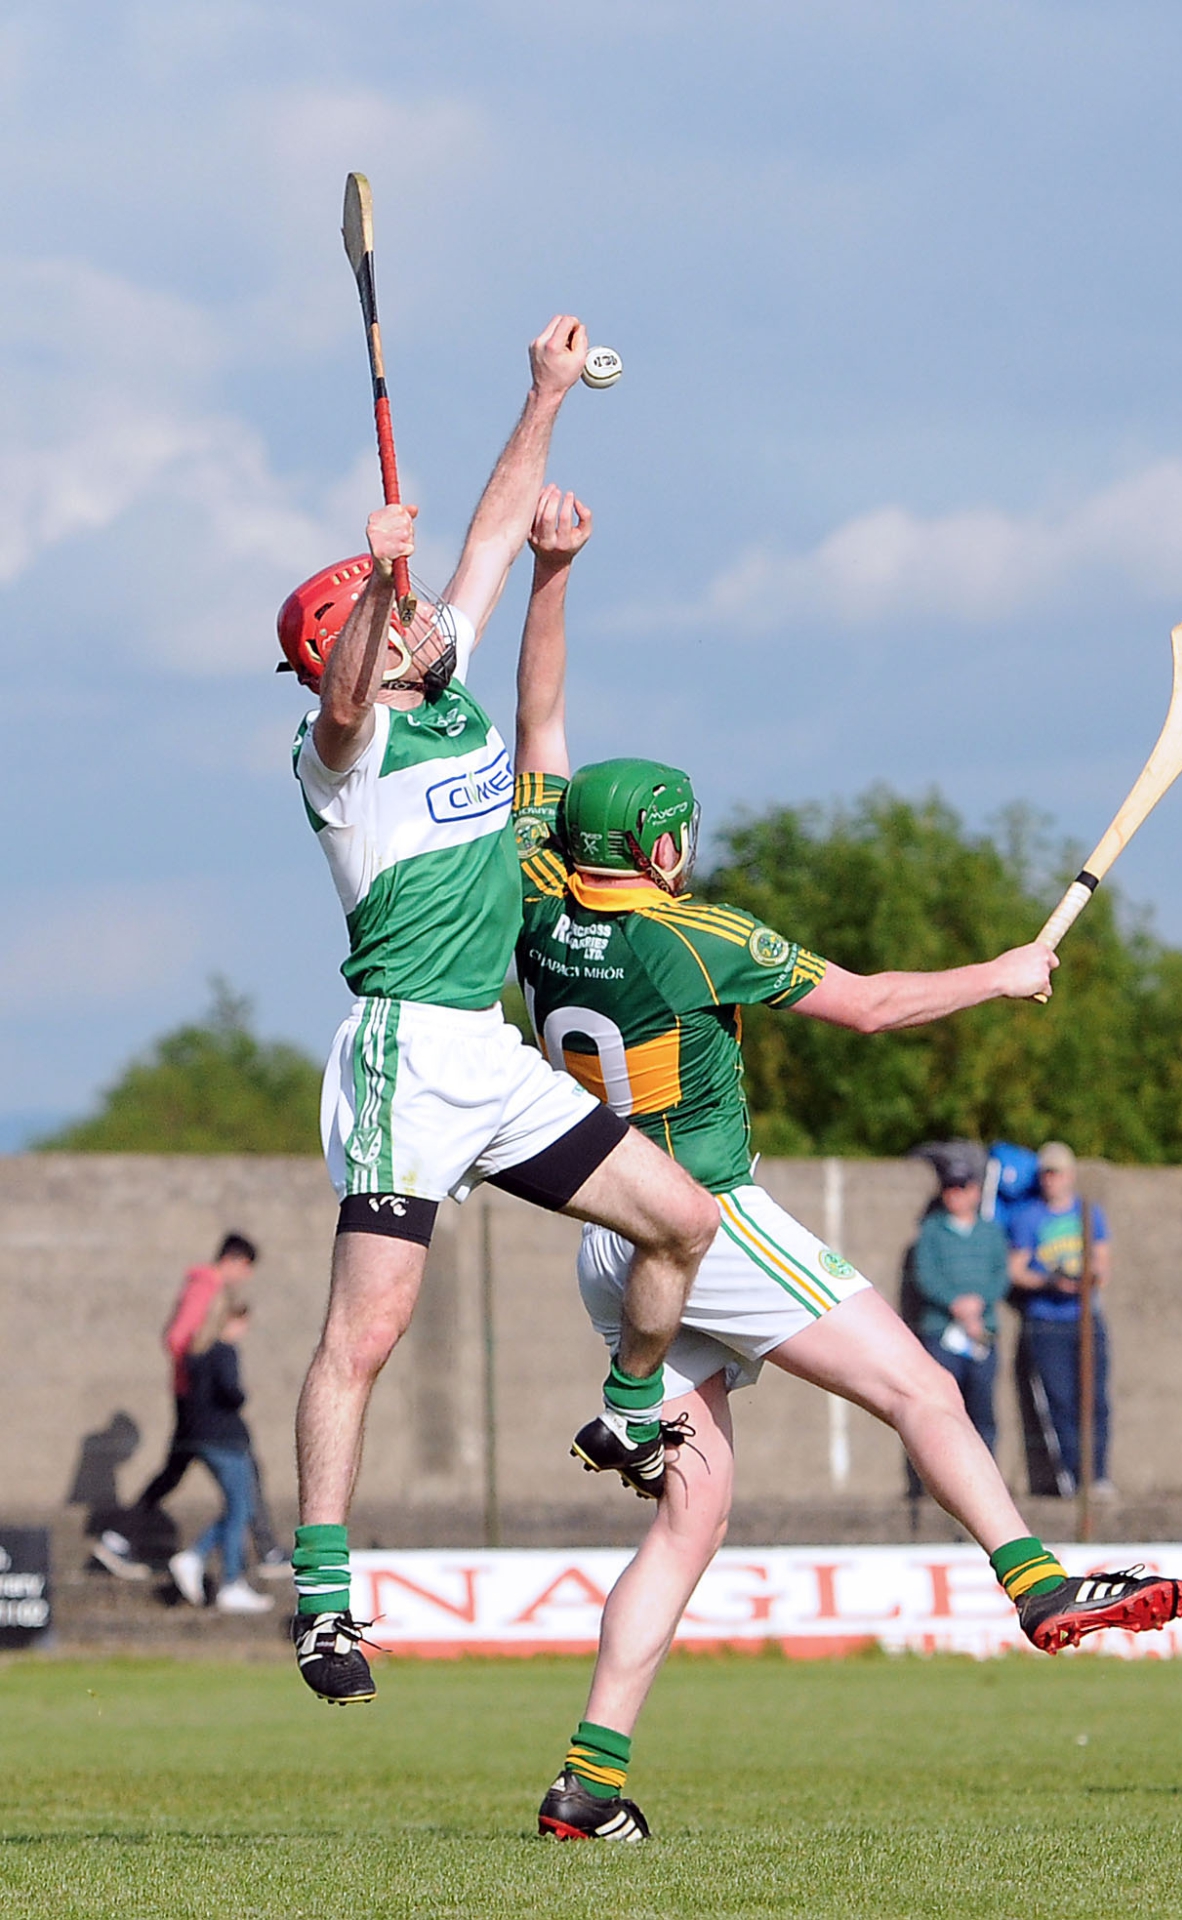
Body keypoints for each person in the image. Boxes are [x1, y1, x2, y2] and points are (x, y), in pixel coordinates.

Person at [511, 485, 1182, 1842]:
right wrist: (1003, 973)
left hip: (605, 1239)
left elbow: (540, 728)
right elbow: (874, 1006)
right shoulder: (699, 935)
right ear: (656, 847)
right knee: (921, 1387)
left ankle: (588, 1784)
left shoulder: (534, 892)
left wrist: (551, 574)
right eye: (676, 833)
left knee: (690, 1522)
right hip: (703, 1220)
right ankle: (1037, 1581)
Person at [277, 318, 719, 1705]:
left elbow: (490, 529)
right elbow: (341, 704)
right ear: (357, 644)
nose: (422, 613)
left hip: (492, 1050)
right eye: (391, 613)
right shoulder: (342, 755)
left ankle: (631, 1407)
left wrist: (543, 396)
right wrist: (375, 584)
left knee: (680, 1221)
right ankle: (324, 1604)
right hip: (405, 1053)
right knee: (366, 1334)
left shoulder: (447, 680)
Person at [92, 1234, 290, 1581]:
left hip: (194, 1399)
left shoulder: (204, 1285)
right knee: (242, 1468)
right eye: (246, 1269)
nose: (245, 1278)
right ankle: (267, 1550)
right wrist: (204, 1373)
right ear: (233, 1260)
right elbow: (176, 1338)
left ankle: (118, 1539)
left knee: (175, 1471)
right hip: (198, 1401)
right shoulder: (206, 1285)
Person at [1008, 1140, 1112, 1494]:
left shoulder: (1089, 1213)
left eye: (1057, 1173)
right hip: (1046, 1319)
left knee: (1094, 1399)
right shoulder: (1028, 1218)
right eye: (1046, 1174)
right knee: (1060, 1400)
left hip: (1084, 1316)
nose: (1051, 1181)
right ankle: (1073, 1475)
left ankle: (1097, 1475)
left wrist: (1086, 1279)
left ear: (1070, 1175)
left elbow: (1103, 1262)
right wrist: (1050, 1282)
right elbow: (1016, 1270)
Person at [167, 1291, 273, 1614]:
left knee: (238, 1508)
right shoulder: (224, 1351)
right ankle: (229, 1580)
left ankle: (196, 1558)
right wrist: (241, 1395)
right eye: (243, 1322)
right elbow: (231, 1392)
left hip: (200, 1438)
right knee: (241, 1509)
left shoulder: (196, 1352)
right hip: (226, 1440)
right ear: (230, 1319)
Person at [905, 1144, 1010, 1455]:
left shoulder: (990, 1232)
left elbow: (1000, 1275)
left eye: (962, 1187)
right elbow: (925, 1276)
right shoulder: (931, 1231)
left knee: (982, 1412)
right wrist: (956, 1304)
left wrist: (977, 1306)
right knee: (941, 1412)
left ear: (975, 1191)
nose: (955, 1194)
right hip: (941, 1334)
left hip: (981, 1333)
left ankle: (985, 1471)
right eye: (949, 1187)